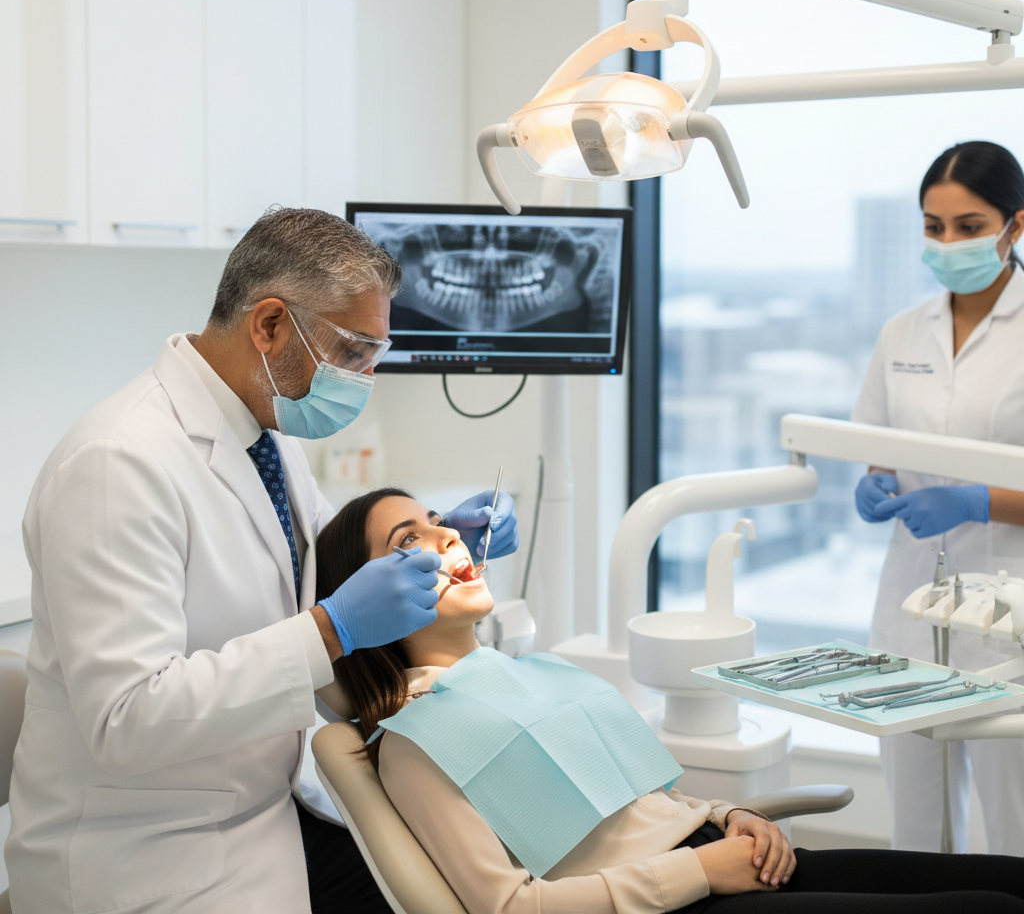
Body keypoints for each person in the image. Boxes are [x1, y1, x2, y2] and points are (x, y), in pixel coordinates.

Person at [5, 208, 519, 914]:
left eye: (376, 354)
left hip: (259, 809)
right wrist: (333, 629)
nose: (366, 377)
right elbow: (125, 720)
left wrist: (433, 531)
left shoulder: (262, 431)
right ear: (270, 323)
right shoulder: (117, 465)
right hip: (144, 858)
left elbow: (310, 560)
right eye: (353, 351)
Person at [315, 486, 1024, 914]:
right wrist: (699, 869)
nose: (445, 535)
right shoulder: (413, 743)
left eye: (436, 521)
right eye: (410, 540)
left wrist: (728, 814)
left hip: (720, 858)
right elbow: (509, 906)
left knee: (1009, 882)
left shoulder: (522, 670)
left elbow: (634, 807)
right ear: (367, 597)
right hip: (678, 904)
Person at [852, 141, 1024, 854]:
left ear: (1015, 226)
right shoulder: (902, 332)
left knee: (1015, 829)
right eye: (934, 226)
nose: (948, 242)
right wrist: (876, 480)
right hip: (909, 609)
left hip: (1010, 618)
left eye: (969, 226)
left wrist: (980, 501)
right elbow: (874, 443)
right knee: (918, 835)